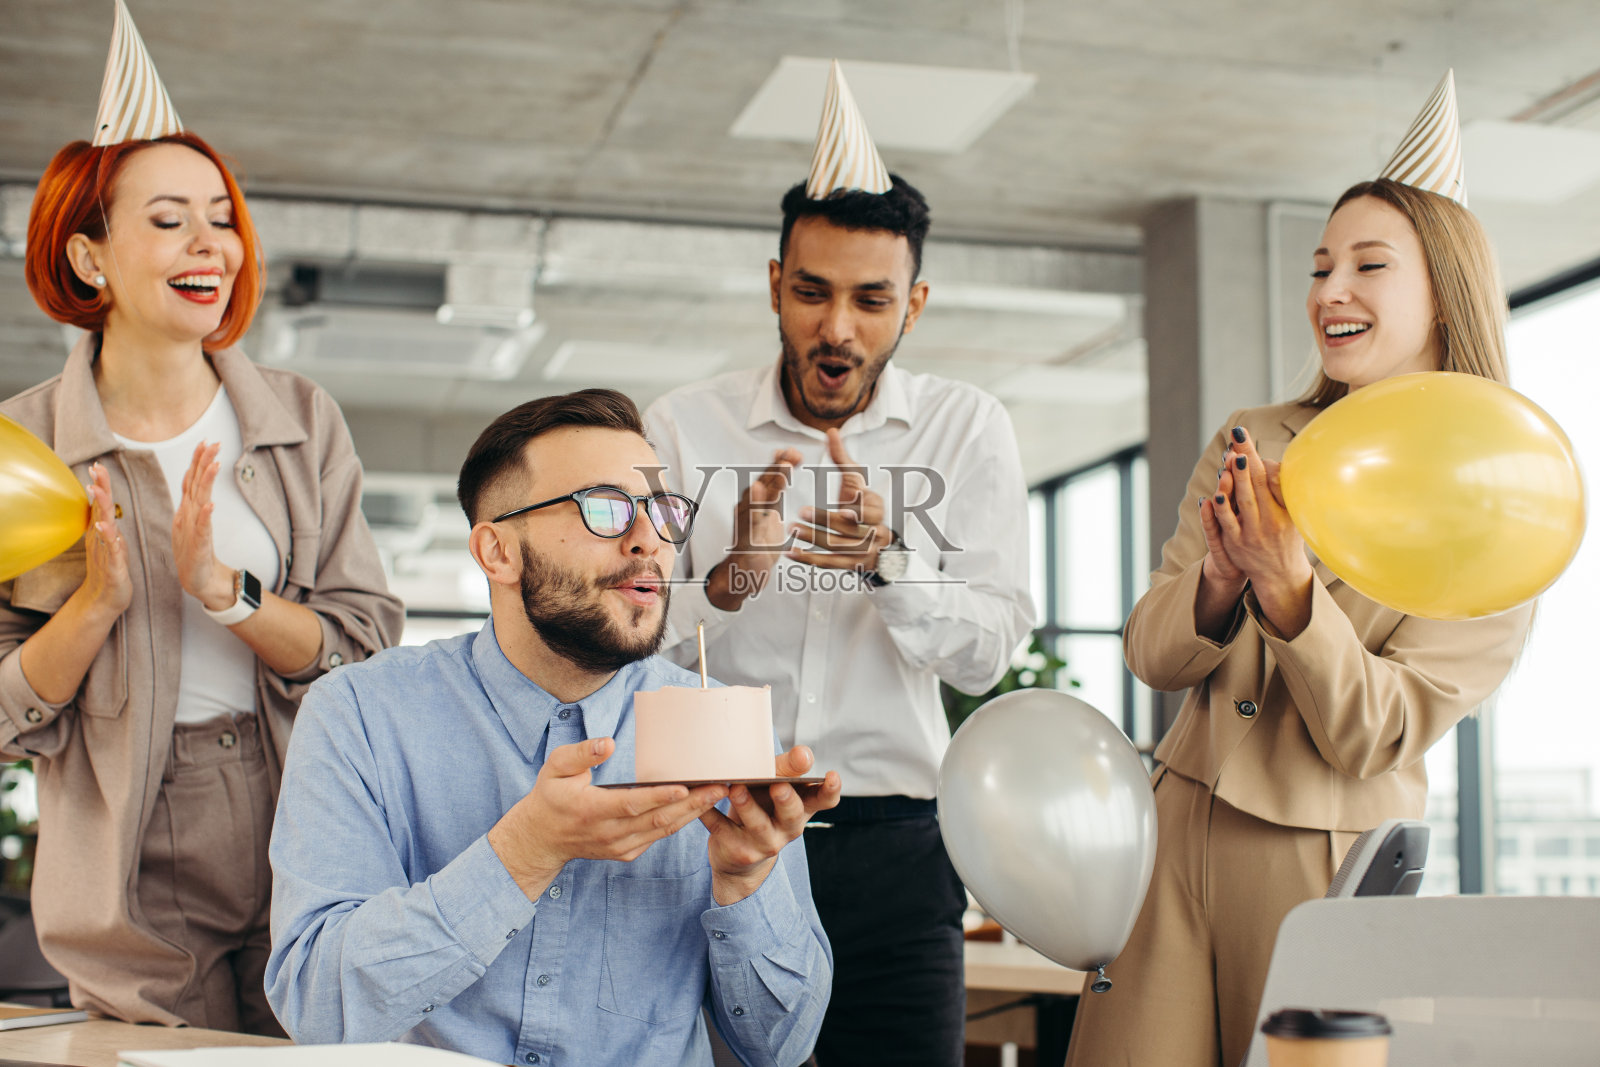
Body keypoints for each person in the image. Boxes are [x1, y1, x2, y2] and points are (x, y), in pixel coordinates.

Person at [1063, 75, 1536, 1067]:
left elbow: (1379, 732)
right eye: (1321, 266)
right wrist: (1221, 583)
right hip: (1174, 824)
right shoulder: (1254, 436)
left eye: (1369, 265)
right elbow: (1151, 653)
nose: (1329, 291)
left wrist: (1289, 593)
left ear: (1443, 294)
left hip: (1323, 857)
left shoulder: (1503, 500)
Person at [0, 2, 401, 1034]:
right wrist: (94, 606)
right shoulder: (22, 447)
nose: (209, 243)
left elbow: (362, 640)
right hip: (125, 833)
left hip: (301, 798)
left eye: (220, 215)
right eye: (168, 218)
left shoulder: (300, 417)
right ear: (90, 258)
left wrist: (229, 596)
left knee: (310, 1045)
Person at [644, 62, 1034, 1066]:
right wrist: (731, 574)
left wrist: (889, 561)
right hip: (718, 822)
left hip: (900, 844)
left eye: (871, 298)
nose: (837, 327)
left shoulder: (965, 427)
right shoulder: (684, 425)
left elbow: (987, 651)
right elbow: (634, 638)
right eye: (811, 292)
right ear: (775, 284)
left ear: (916, 302)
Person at [266, 389, 841, 1066]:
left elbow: (781, 1047)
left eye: (661, 511)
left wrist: (748, 881)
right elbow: (316, 1005)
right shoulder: (359, 714)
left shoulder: (728, 735)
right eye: (605, 509)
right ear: (497, 551)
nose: (648, 539)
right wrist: (523, 853)